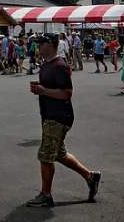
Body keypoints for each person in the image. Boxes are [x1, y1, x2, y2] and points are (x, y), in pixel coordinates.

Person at [26, 34, 101, 207]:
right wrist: (40, 90)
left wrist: (44, 91)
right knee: (59, 153)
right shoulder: (46, 65)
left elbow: (67, 93)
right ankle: (90, 176)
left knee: (46, 156)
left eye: (41, 44)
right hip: (49, 115)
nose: (38, 47)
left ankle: (46, 194)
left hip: (58, 116)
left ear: (51, 45)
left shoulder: (60, 66)